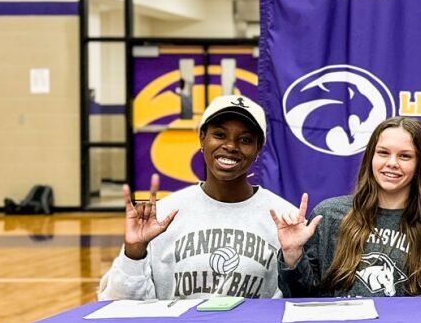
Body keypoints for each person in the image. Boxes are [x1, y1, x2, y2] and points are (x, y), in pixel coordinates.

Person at [97, 94, 294, 300]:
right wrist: (134, 252)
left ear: (258, 148)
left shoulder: (284, 219)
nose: (230, 146)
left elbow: (296, 308)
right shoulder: (163, 216)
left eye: (245, 140)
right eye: (219, 134)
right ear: (202, 138)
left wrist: (295, 259)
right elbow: (115, 306)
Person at [273, 116, 421, 297]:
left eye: (405, 156)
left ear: (419, 165)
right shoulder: (329, 215)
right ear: (371, 158)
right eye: (383, 153)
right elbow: (299, 296)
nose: (392, 163)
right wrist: (292, 253)